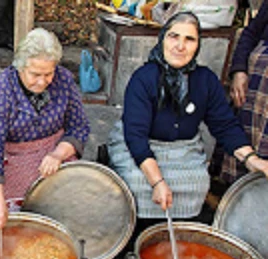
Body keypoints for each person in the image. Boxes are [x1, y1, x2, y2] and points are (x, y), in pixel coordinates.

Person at [107, 12, 268, 227]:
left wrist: (251, 159)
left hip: (183, 148)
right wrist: (158, 181)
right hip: (140, 146)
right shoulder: (144, 78)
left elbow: (225, 125)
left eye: (189, 39)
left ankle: (174, 229)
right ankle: (136, 230)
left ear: (197, 45)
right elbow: (135, 136)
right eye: (174, 36)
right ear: (163, 38)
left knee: (198, 182)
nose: (180, 46)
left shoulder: (206, 80)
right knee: (137, 183)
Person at [0, 28, 90, 229]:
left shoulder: (64, 80)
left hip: (53, 150)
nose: (42, 81)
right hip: (12, 154)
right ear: (20, 67)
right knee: (7, 213)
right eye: (35, 74)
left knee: (70, 202)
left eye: (48, 74)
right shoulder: (2, 89)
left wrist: (58, 155)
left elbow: (78, 126)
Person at [213, 1, 268, 186]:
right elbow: (251, 33)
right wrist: (239, 70)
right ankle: (242, 197)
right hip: (259, 87)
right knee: (247, 146)